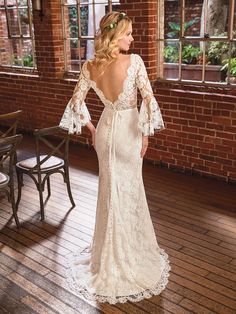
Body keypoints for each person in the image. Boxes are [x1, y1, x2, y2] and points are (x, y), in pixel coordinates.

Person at [60, 11, 170, 305]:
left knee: (109, 194)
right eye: (128, 33)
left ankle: (106, 258)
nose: (133, 39)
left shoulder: (89, 65)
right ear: (115, 35)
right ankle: (129, 256)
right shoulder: (134, 63)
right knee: (130, 191)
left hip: (105, 131)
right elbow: (148, 99)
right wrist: (145, 134)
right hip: (129, 133)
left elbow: (76, 101)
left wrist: (93, 127)